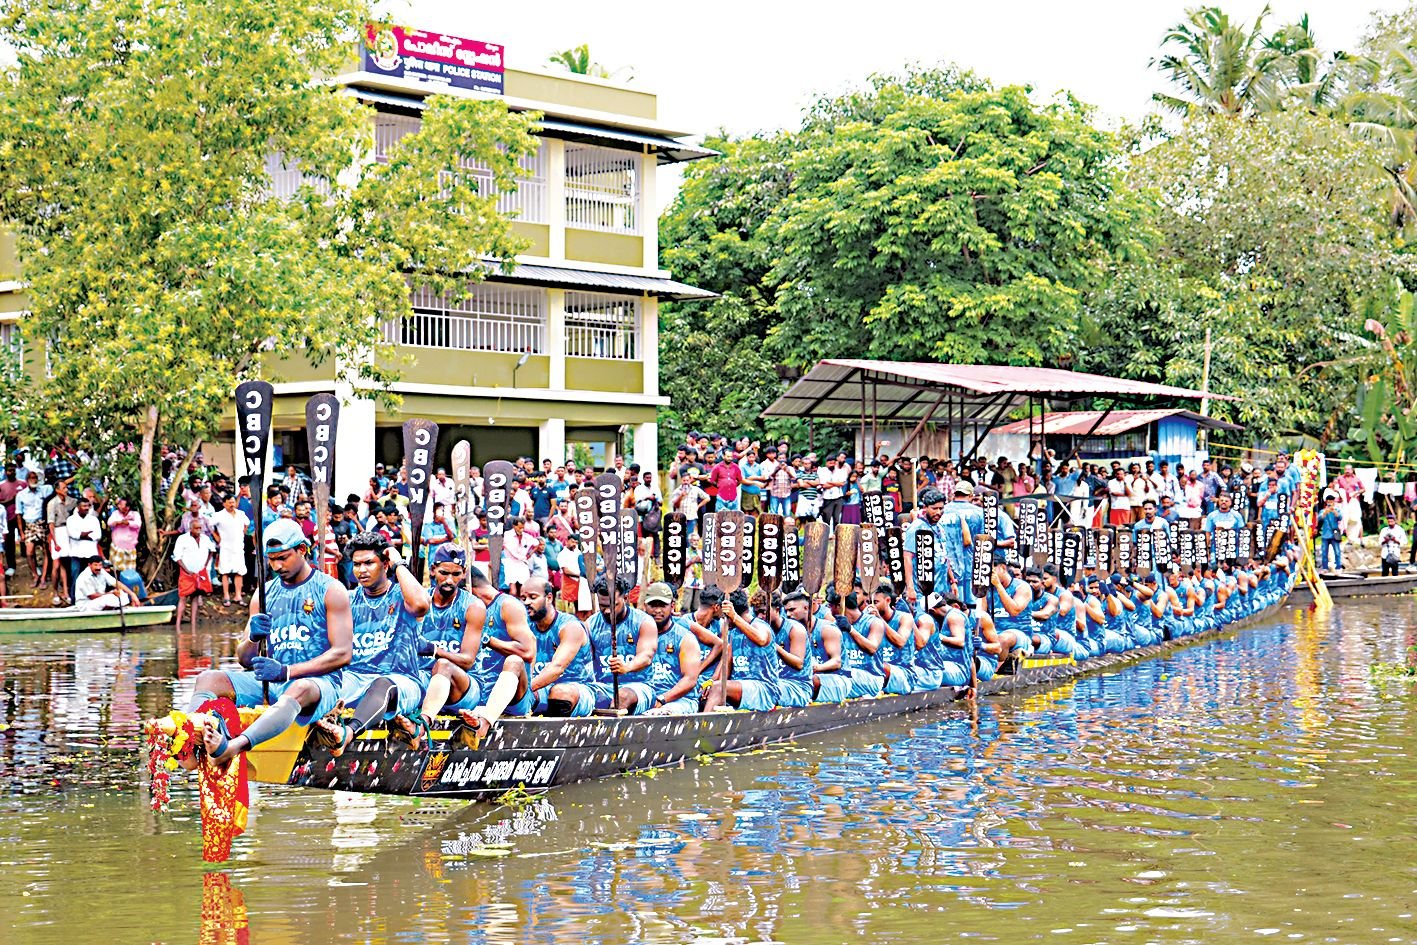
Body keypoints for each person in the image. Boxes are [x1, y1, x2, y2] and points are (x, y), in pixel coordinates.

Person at [190, 518, 352, 767]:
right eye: (271, 559)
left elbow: (342, 654)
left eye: (283, 558)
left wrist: (287, 671)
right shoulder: (263, 594)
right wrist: (253, 638)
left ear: (302, 549)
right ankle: (193, 739)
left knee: (299, 688)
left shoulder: (331, 590)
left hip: (318, 687)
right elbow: (244, 659)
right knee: (207, 679)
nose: (276, 565)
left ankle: (233, 747)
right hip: (270, 683)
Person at [313, 531, 431, 755]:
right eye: (357, 564)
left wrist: (399, 564)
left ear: (385, 564)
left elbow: (421, 605)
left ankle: (347, 734)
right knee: (317, 685)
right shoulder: (347, 600)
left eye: (369, 563)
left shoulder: (403, 595)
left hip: (401, 680)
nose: (362, 570)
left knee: (382, 684)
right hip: (354, 677)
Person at [401, 544, 487, 748]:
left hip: (465, 688)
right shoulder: (419, 601)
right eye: (444, 573)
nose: (449, 580)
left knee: (444, 666)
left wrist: (433, 650)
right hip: (426, 679)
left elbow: (467, 661)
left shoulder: (474, 606)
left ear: (464, 573)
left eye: (456, 574)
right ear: (432, 570)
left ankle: (423, 725)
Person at [458, 562, 537, 736]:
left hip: (514, 696)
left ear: (469, 589)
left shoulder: (508, 606)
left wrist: (487, 639)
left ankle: (485, 722)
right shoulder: (467, 610)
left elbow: (528, 652)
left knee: (514, 661)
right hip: (478, 692)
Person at [518, 577, 600, 716]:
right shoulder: (525, 626)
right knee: (515, 695)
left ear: (549, 598)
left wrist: (525, 689)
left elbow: (556, 668)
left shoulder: (570, 626)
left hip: (577, 689)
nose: (527, 602)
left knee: (559, 692)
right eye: (523, 598)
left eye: (533, 597)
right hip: (541, 687)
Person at [622, 581, 704, 714]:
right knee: (621, 699)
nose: (657, 610)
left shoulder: (685, 638)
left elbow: (690, 680)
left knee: (661, 713)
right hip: (646, 694)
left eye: (663, 605)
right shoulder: (635, 634)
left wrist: (662, 700)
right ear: (644, 606)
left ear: (672, 606)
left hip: (680, 700)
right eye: (653, 605)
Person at [172, 514, 215, 633]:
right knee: (183, 597)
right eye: (196, 528)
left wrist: (205, 565)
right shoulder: (182, 539)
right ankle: (178, 625)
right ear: (190, 528)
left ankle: (193, 624)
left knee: (195, 598)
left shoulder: (205, 538)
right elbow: (177, 557)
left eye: (200, 528)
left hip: (199, 572)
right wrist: (187, 570)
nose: (199, 531)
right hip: (186, 573)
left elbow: (212, 550)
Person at [208, 493, 250, 606]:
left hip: (238, 547)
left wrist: (242, 533)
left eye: (233, 502)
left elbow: (247, 523)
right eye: (230, 502)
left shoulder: (241, 514)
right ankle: (226, 596)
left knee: (239, 572)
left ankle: (238, 596)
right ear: (224, 503)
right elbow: (209, 525)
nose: (232, 504)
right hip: (225, 547)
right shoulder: (219, 515)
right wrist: (216, 537)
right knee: (225, 572)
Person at [71, 556, 141, 612]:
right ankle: (109, 609)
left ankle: (111, 609)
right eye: (95, 565)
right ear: (89, 565)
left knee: (122, 593)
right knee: (108, 598)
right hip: (86, 605)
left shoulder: (101, 571)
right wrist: (111, 593)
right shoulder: (85, 577)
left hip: (99, 600)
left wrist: (132, 594)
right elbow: (92, 596)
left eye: (100, 565)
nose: (98, 568)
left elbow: (116, 583)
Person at [1317, 496, 1344, 572]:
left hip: (1334, 534)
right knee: (1324, 552)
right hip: (1325, 534)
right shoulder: (1323, 511)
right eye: (1328, 501)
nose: (1330, 503)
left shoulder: (1337, 509)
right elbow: (1319, 519)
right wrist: (1326, 512)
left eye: (1331, 501)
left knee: (1337, 551)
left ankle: (1338, 567)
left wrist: (1334, 511)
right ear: (1326, 502)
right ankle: (1325, 567)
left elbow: (1340, 517)